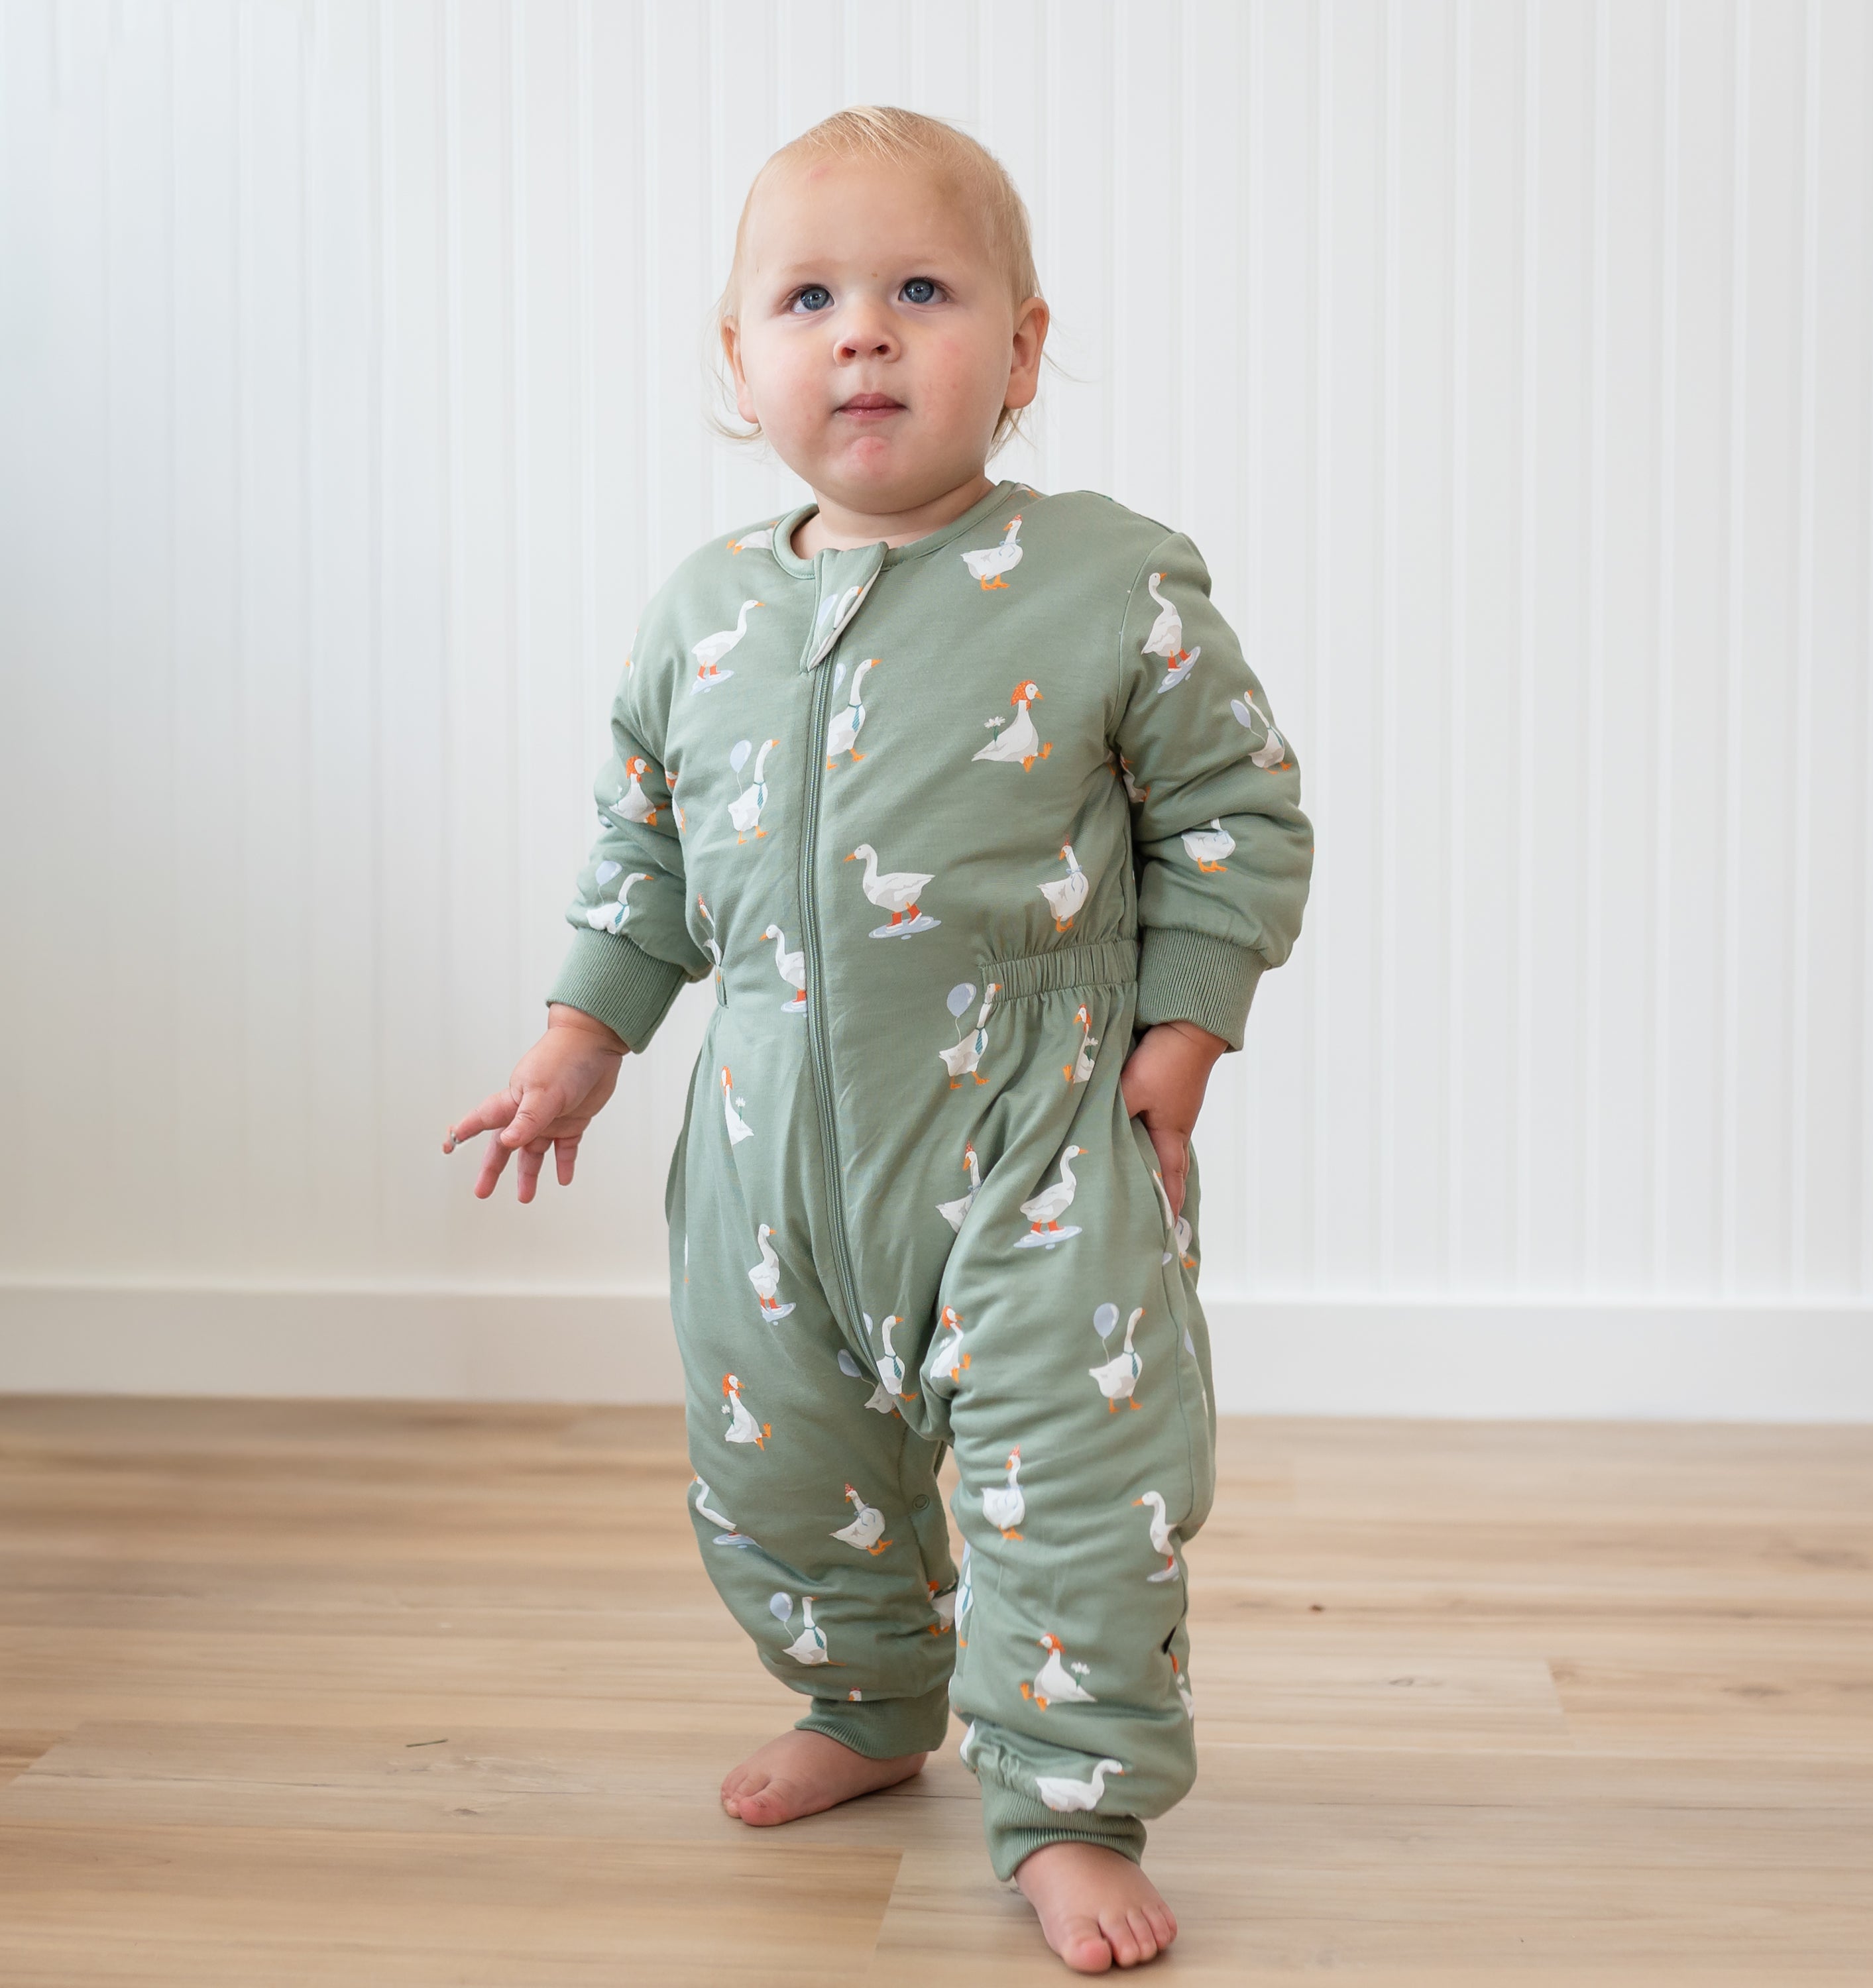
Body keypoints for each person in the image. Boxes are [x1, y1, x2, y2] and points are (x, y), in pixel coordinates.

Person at [445, 104, 1312, 1975]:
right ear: (738, 359)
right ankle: (864, 1701)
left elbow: (1237, 817)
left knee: (1077, 1477)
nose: (865, 333)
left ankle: (1070, 1799)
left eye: (923, 290)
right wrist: (582, 1037)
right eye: (812, 296)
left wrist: (1184, 1038)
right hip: (767, 1144)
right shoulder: (704, 614)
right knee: (779, 1464)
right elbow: (645, 849)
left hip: (1034, 1125)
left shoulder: (1111, 582)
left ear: (1020, 350)